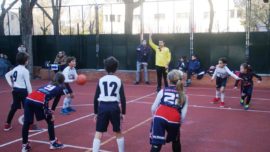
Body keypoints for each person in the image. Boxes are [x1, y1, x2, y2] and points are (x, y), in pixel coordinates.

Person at [21, 73, 67, 152]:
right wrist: (51, 112)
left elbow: (45, 96)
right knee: (50, 120)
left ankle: (24, 146)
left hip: (28, 99)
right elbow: (56, 99)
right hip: (39, 102)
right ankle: (53, 143)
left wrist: (50, 110)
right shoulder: (60, 88)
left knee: (26, 123)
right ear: (62, 80)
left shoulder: (47, 84)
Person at [92, 56, 126, 152]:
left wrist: (95, 112)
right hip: (114, 107)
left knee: (98, 132)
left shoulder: (101, 80)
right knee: (118, 131)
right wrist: (123, 113)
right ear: (116, 68)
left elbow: (95, 98)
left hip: (102, 107)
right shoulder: (118, 80)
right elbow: (123, 98)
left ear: (105, 68)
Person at [150, 70, 188, 152]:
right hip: (174, 119)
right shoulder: (184, 95)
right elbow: (183, 116)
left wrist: (154, 118)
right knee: (176, 140)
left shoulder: (162, 91)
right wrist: (178, 123)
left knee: (156, 144)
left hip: (160, 117)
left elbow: (153, 108)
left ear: (168, 80)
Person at [4, 52, 32, 131]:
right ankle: (29, 125)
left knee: (13, 108)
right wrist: (30, 94)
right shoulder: (25, 71)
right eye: (27, 59)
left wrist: (11, 85)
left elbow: (7, 75)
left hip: (15, 90)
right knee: (27, 108)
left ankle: (7, 124)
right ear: (25, 61)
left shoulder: (15, 68)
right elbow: (28, 84)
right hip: (23, 91)